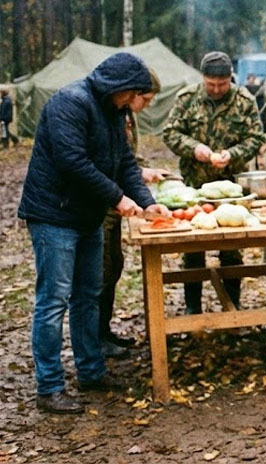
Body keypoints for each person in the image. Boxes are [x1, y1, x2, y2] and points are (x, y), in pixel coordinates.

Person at [18, 52, 170, 415]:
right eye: (136, 94)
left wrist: (147, 203)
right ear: (123, 88)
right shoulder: (69, 103)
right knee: (53, 300)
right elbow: (73, 163)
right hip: (54, 215)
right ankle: (50, 385)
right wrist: (118, 199)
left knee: (88, 293)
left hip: (85, 217)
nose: (137, 103)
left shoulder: (115, 113)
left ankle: (90, 371)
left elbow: (125, 165)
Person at [162, 51, 264, 314]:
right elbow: (171, 133)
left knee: (232, 248)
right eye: (211, 84)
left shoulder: (245, 101)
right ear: (202, 79)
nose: (217, 89)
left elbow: (256, 138)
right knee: (192, 248)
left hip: (232, 188)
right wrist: (195, 148)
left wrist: (233, 155)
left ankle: (233, 305)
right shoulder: (186, 99)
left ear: (231, 78)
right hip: (194, 188)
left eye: (222, 84)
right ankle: (192, 308)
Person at [99, 68, 170, 358]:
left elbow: (126, 158)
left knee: (113, 266)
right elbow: (103, 161)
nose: (148, 106)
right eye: (147, 99)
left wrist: (142, 173)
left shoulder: (126, 117)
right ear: (133, 94)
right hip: (103, 205)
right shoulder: (109, 113)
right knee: (99, 273)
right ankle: (95, 340)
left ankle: (103, 332)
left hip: (118, 204)